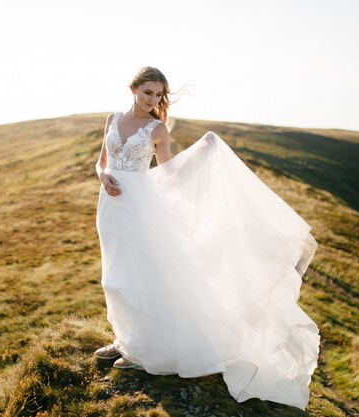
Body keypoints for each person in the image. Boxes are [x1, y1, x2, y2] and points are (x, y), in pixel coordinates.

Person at [94, 66, 320, 411]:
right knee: (115, 276)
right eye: (148, 93)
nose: (153, 100)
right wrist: (103, 178)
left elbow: (168, 175)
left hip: (140, 207)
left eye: (158, 95)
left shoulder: (156, 129)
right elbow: (101, 162)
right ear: (133, 88)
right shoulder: (112, 119)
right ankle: (123, 339)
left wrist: (202, 152)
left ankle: (139, 350)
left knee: (139, 278)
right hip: (110, 207)